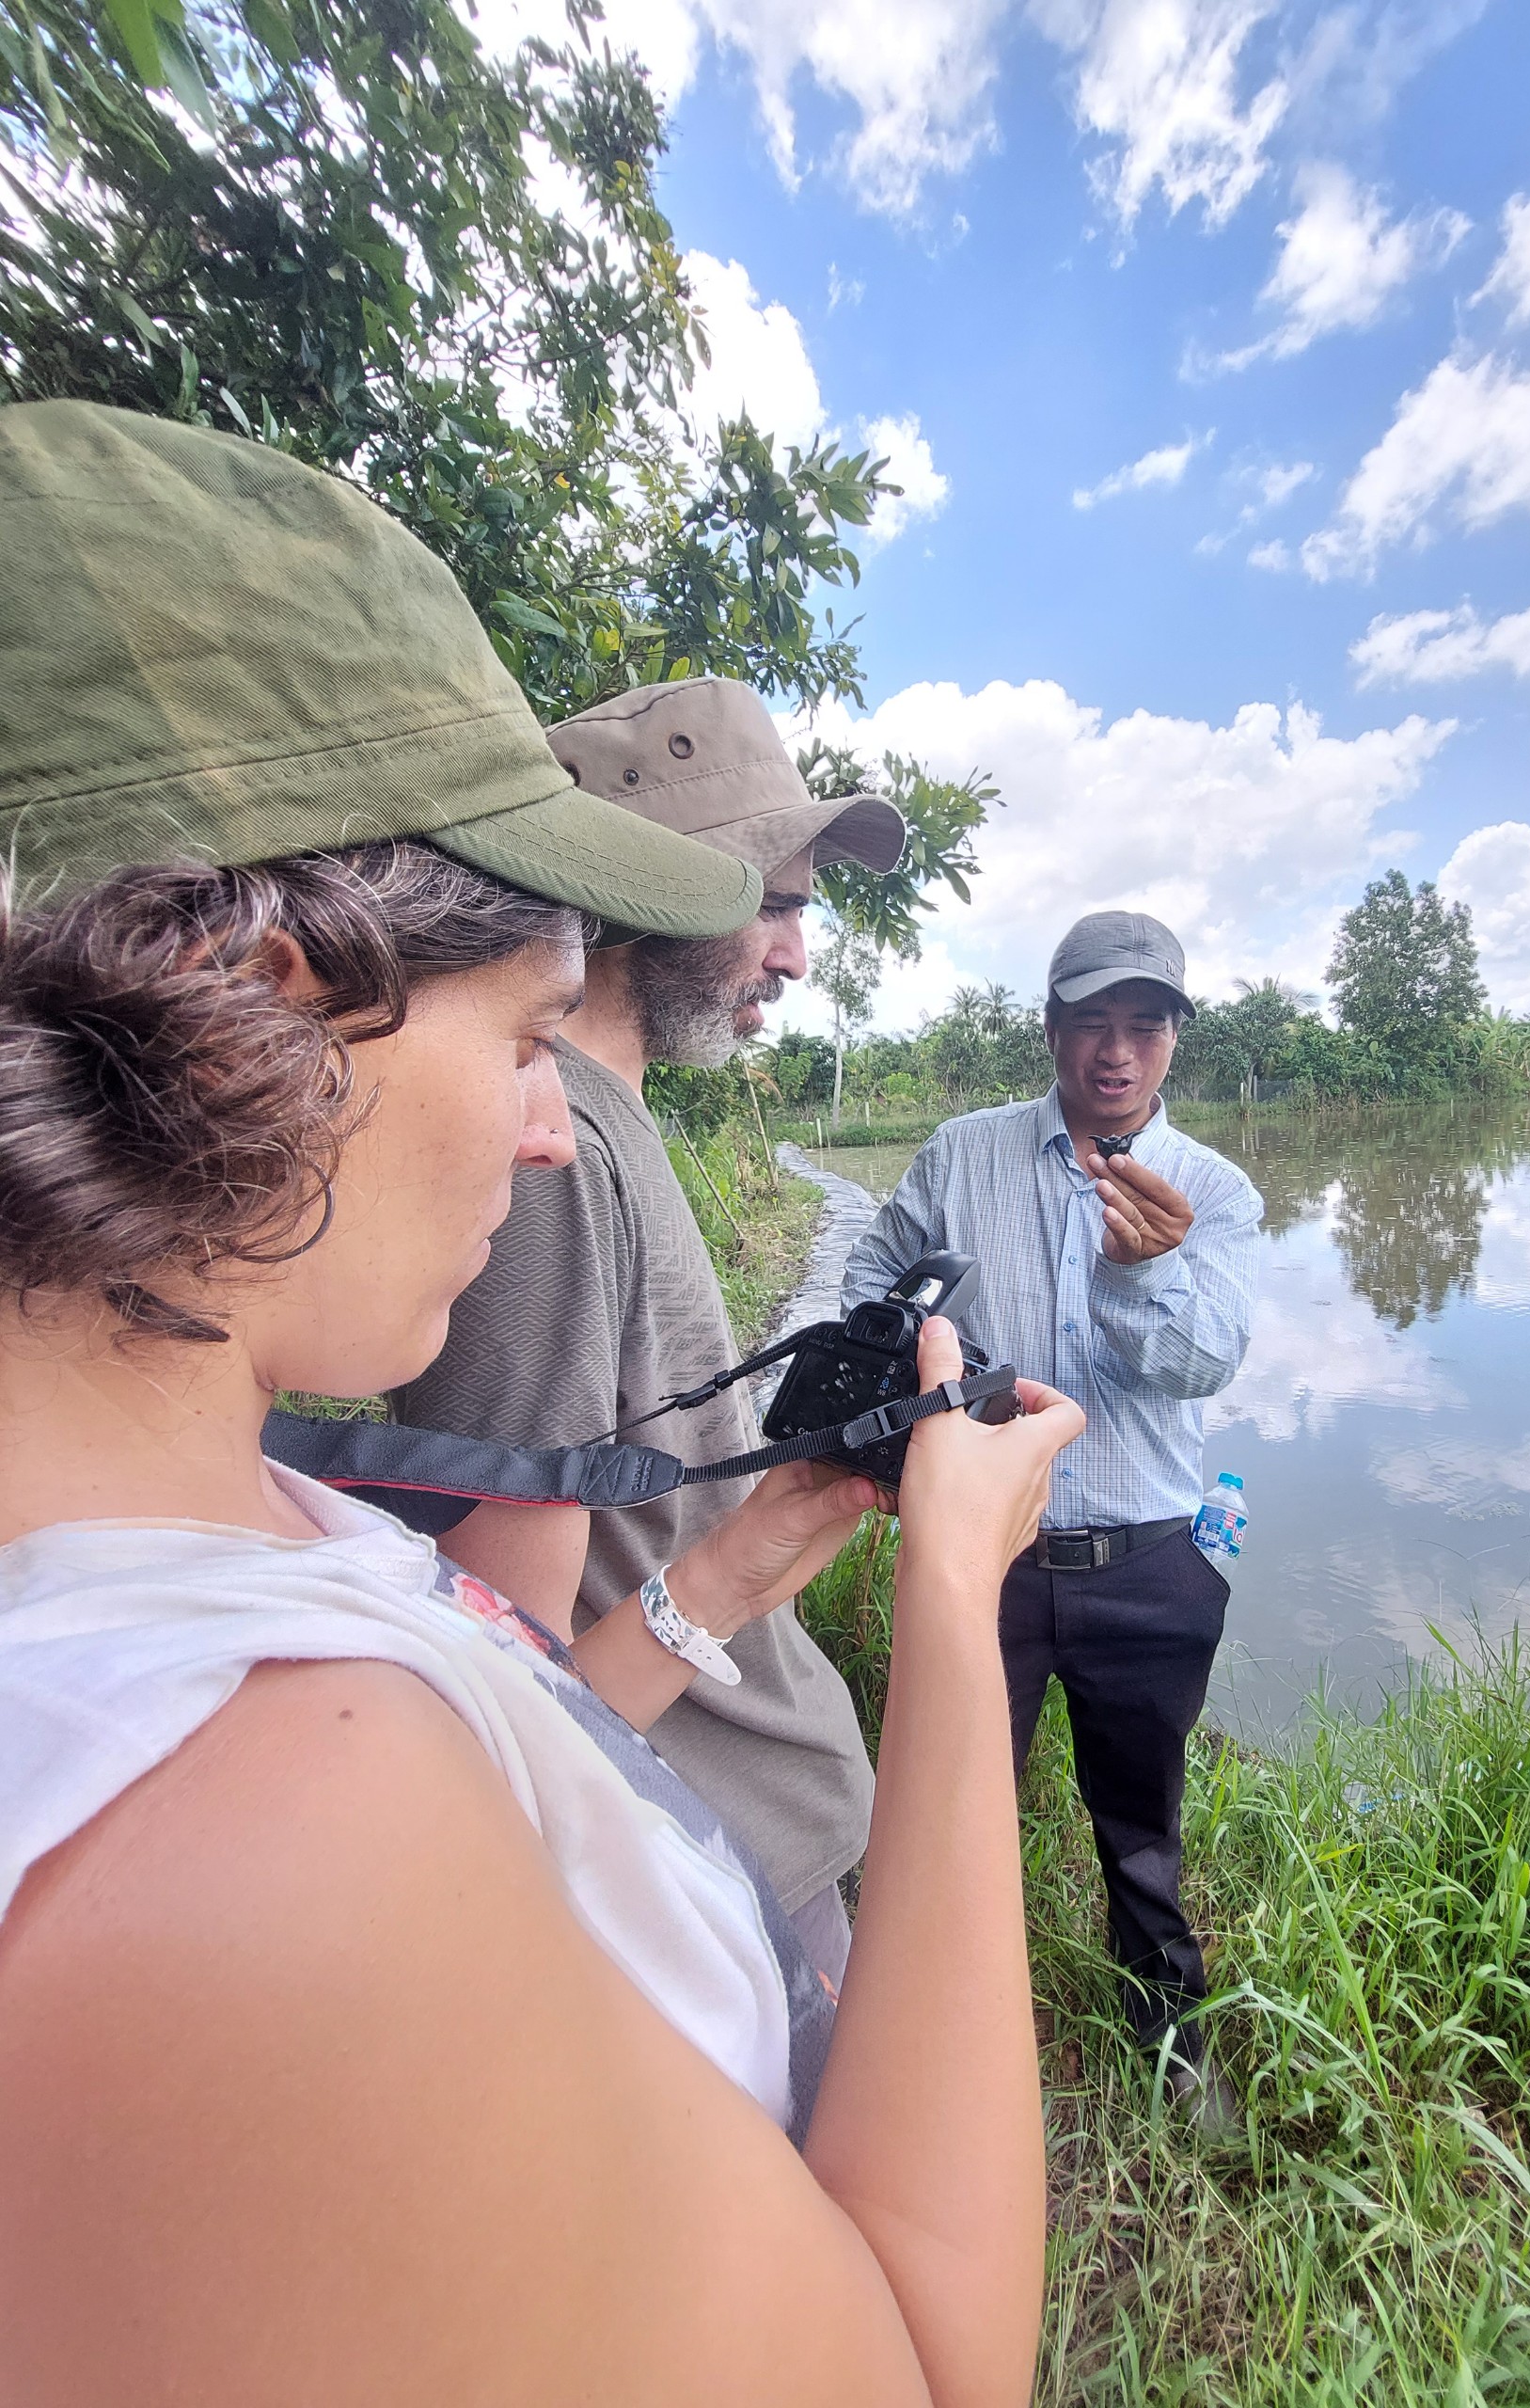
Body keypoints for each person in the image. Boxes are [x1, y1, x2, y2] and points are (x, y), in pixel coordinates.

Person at [0, 400, 1084, 2405]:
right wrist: (952, 1589)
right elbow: (928, 2363)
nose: (537, 1128)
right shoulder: (261, 1842)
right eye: (514, 1031)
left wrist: (752, 1548)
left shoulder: (209, 1533)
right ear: (253, 1000)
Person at [397, 679, 907, 1988]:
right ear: (658, 890)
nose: (797, 955)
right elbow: (510, 1668)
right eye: (779, 903)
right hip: (700, 1867)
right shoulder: (550, 1154)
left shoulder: (604, 1117)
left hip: (743, 1835)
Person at [843, 910, 1262, 2131]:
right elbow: (871, 1291)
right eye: (1093, 1022)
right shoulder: (961, 1156)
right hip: (992, 1558)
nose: (1117, 1051)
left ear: (1174, 1039)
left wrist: (1143, 1273)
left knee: (1142, 1822)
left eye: (1144, 1024)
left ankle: (1172, 2038)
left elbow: (1202, 1369)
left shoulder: (1215, 1194)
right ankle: (926, 2059)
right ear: (1052, 1030)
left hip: (1154, 1557)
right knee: (947, 1801)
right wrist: (912, 1386)